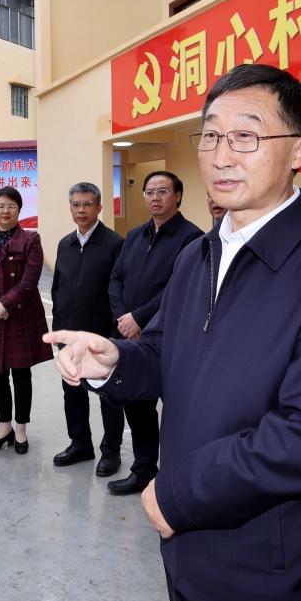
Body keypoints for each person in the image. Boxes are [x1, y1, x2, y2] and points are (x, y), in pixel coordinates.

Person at [47, 64, 301, 601]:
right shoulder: (199, 254)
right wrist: (113, 362)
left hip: (274, 572)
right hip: (188, 553)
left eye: (246, 136)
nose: (221, 154)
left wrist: (176, 495)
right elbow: (163, 352)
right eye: (209, 135)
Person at [106, 170, 203, 495]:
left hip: (170, 337)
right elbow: (116, 278)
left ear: (177, 196)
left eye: (163, 191)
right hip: (131, 336)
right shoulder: (134, 235)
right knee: (137, 405)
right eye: (150, 192)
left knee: (178, 409)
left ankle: (178, 476)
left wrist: (140, 317)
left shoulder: (192, 238)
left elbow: (179, 287)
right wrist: (123, 317)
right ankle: (144, 471)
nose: (155, 198)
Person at [0, 186, 52, 455]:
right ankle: (3, 427)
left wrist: (5, 303)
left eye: (11, 206)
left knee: (21, 374)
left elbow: (30, 280)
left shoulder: (31, 240)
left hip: (19, 314)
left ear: (19, 210)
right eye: (1, 206)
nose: (6, 211)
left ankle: (21, 429)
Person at [50, 182, 125, 477]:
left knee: (108, 396)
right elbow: (57, 288)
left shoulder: (114, 244)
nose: (81, 210)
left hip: (101, 336)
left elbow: (118, 291)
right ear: (70, 208)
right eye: (76, 205)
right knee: (73, 393)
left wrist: (113, 334)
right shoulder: (64, 244)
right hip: (69, 335)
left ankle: (111, 451)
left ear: (99, 207)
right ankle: (80, 443)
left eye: (87, 204)